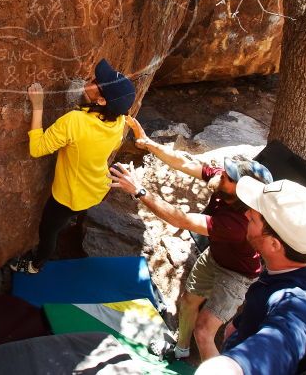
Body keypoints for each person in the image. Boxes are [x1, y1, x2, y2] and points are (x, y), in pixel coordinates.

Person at [110, 117, 272, 362]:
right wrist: (148, 144)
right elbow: (185, 163)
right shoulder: (224, 184)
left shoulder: (238, 224)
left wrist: (139, 191)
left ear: (241, 191)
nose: (221, 174)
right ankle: (181, 349)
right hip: (215, 256)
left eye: (229, 176)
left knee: (204, 331)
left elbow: (182, 220)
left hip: (237, 274)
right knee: (188, 302)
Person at [195, 178, 306, 375]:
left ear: (273, 244)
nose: (245, 214)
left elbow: (284, 338)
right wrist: (238, 324)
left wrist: (230, 367)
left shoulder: (299, 301)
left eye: (253, 218)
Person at [10, 59, 135, 274]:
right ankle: (75, 224)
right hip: (96, 188)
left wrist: (38, 105)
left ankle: (36, 264)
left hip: (69, 195)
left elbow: (37, 148)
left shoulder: (75, 121)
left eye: (97, 81)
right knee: (70, 215)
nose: (91, 78)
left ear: (103, 101)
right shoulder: (119, 121)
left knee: (48, 229)